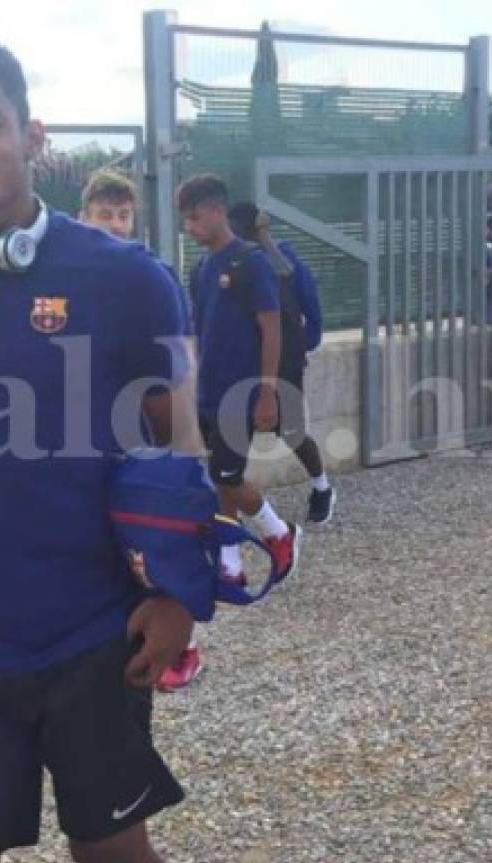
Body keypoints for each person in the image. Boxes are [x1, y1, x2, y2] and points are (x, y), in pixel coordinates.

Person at [0, 31, 208, 863]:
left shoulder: (125, 279)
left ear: (32, 135)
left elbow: (177, 439)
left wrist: (180, 593)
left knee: (111, 856)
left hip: (95, 632)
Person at [80, 168, 203, 691]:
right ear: (83, 216)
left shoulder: (150, 276)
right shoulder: (62, 276)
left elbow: (181, 359)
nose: (114, 224)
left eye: (123, 214)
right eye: (104, 214)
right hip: (85, 440)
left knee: (157, 546)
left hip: (139, 434)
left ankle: (186, 643)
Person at [177, 174, 301, 589]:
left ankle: (278, 532)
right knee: (217, 475)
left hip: (242, 390)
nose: (188, 228)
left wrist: (267, 392)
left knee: (228, 476)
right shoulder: (200, 268)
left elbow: (272, 330)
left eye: (194, 218)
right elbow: (201, 330)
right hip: (208, 389)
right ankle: (229, 562)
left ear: (216, 211)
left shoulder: (250, 262)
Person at [227, 202, 336, 525]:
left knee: (290, 430)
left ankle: (322, 487)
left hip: (284, 356)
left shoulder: (283, 260)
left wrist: (307, 342)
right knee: (233, 433)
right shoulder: (232, 261)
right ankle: (230, 502)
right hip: (243, 359)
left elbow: (308, 302)